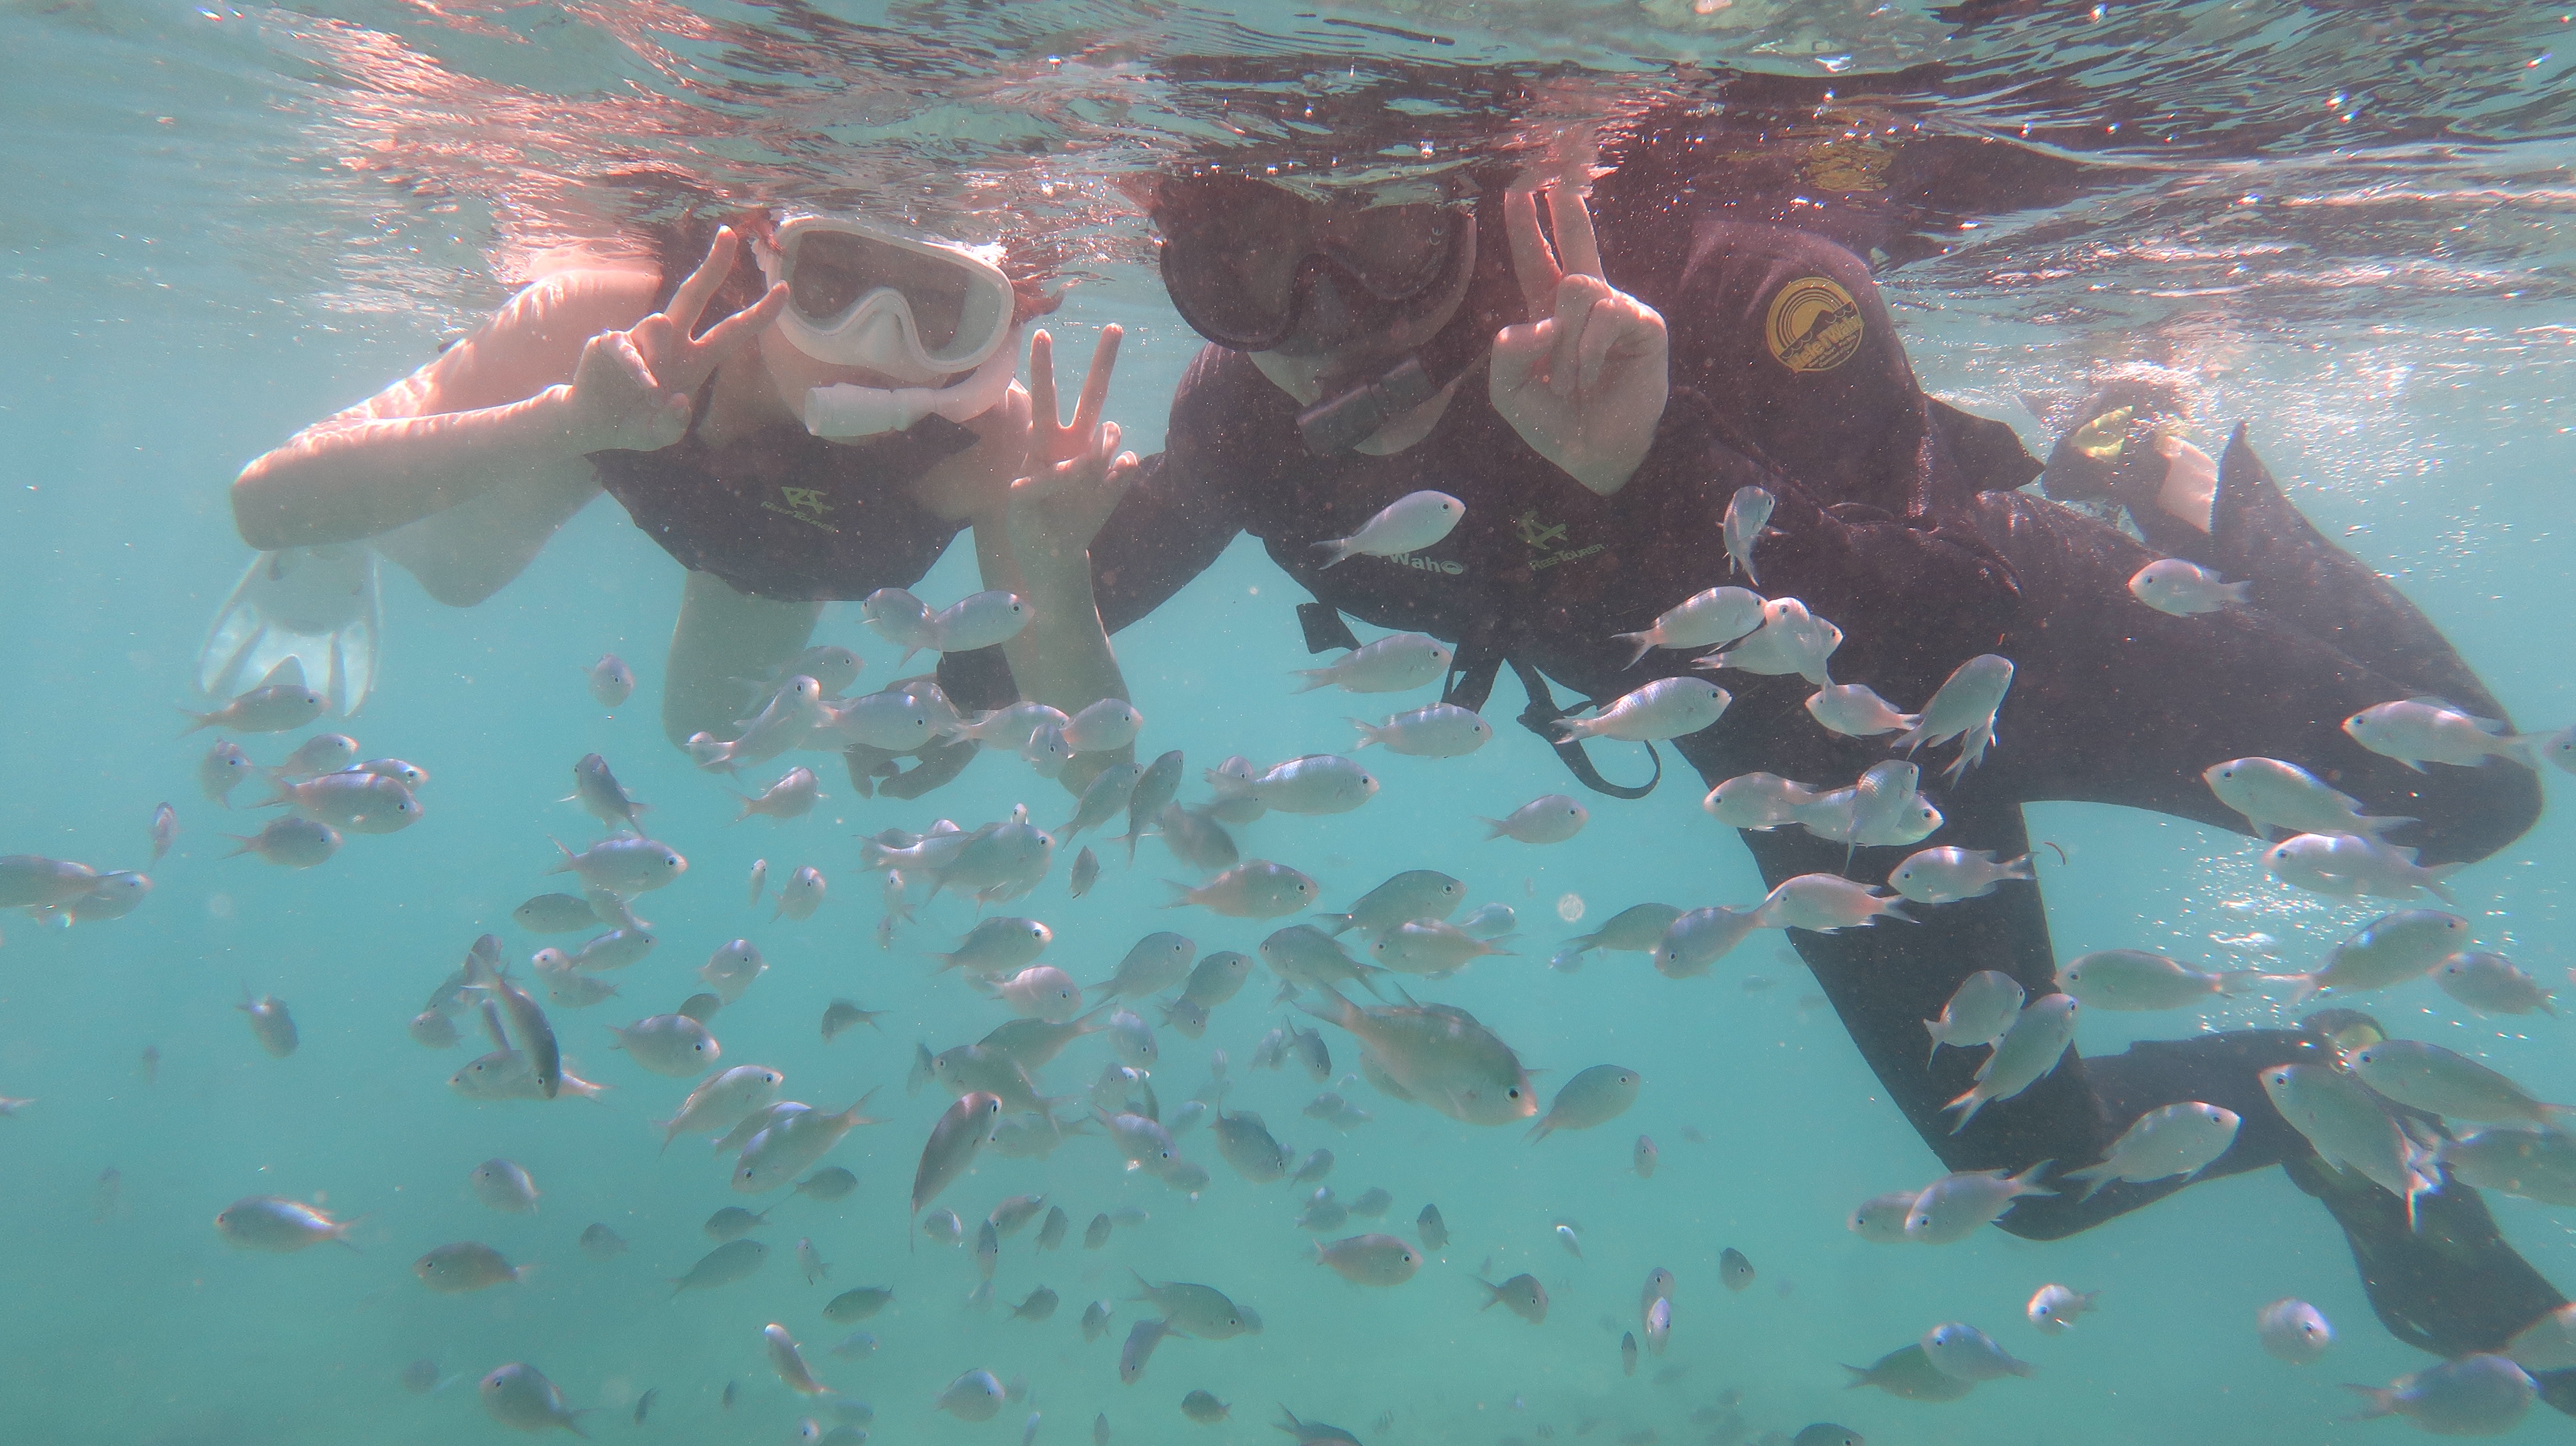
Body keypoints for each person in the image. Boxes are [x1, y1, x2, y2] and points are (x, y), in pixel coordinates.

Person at [991, 141, 2561, 1381]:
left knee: (2474, 798)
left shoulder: (1742, 287)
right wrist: (1026, 560)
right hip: (1785, 757)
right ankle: (2308, 1094)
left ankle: (2164, 480)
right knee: (2035, 1169)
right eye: (1252, 265)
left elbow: (1934, 614)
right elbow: (1015, 689)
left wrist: (1661, 466)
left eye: (1384, 230)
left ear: (1479, 198)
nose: (1333, 317)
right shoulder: (1247, 429)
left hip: (2025, 635)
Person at [221, 213, 1137, 786]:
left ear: (999, 329)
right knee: (457, 577)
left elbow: (1096, 772)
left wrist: (1057, 580)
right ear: (766, 257)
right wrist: (562, 421)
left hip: (766, 572)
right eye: (831, 285)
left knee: (703, 733)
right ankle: (349, 551)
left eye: (938, 310)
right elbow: (266, 502)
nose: (876, 344)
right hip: (592, 446)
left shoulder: (995, 447)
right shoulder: (616, 325)